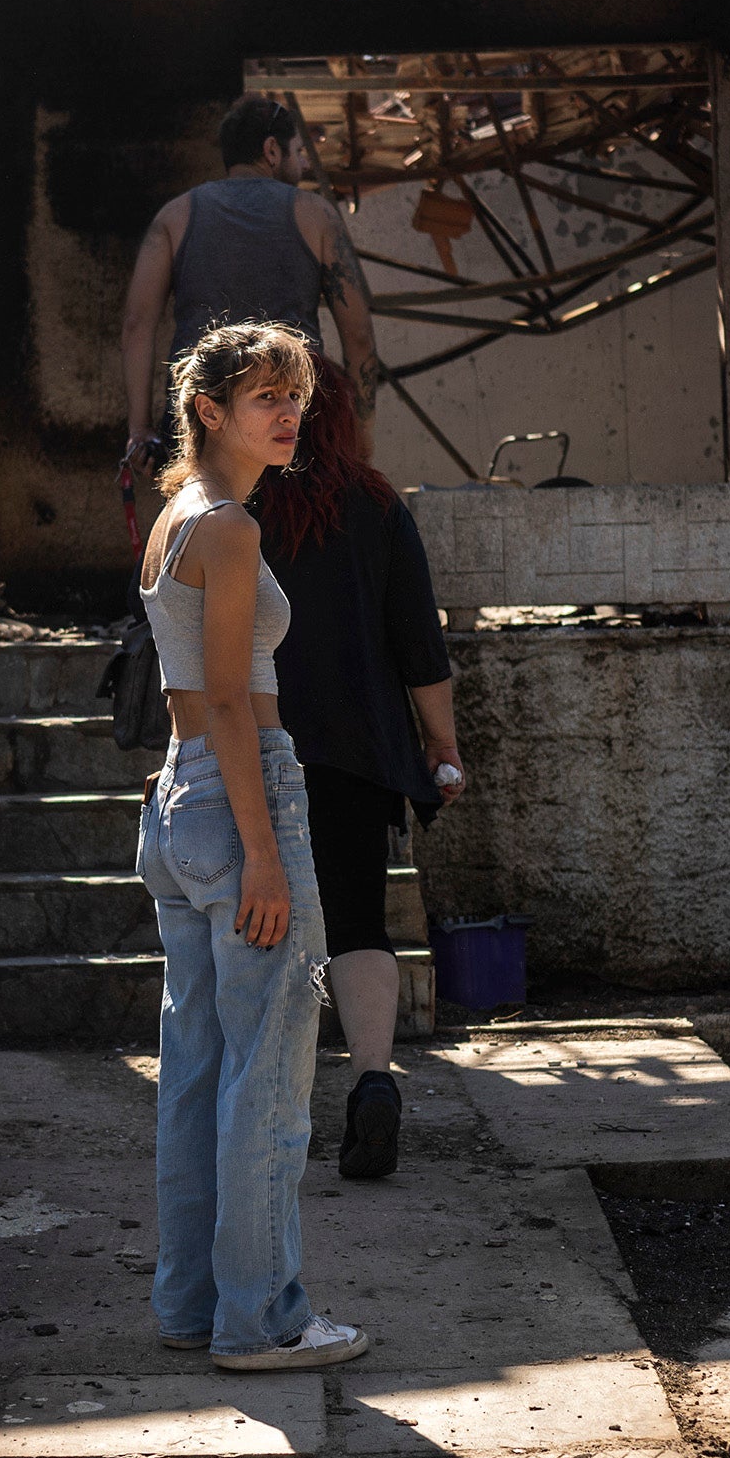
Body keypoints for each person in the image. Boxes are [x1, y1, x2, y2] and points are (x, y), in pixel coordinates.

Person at [135, 320, 371, 1375]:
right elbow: (230, 695)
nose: (288, 413)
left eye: (296, 396)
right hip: (238, 796)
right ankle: (262, 1322)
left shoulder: (173, 518)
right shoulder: (226, 527)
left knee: (196, 1071)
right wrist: (266, 851)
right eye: (265, 395)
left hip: (181, 798)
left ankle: (191, 1307)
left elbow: (189, 690)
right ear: (209, 410)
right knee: (267, 1082)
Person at [253, 358, 462, 1183]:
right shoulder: (378, 506)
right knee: (359, 919)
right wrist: (440, 744)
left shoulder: (237, 506)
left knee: (264, 925)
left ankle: (271, 1111)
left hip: (259, 744)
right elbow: (422, 648)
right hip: (357, 751)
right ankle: (374, 1079)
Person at [114, 96, 386, 516]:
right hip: (294, 421)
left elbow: (136, 325)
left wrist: (140, 430)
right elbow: (359, 335)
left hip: (208, 415)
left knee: (208, 536)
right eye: (297, 152)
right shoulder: (316, 215)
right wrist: (360, 437)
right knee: (298, 546)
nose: (301, 164)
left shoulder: (175, 216)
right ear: (271, 151)